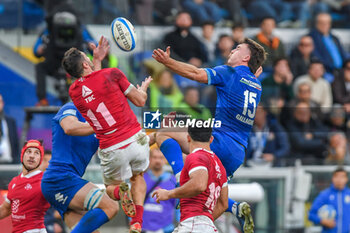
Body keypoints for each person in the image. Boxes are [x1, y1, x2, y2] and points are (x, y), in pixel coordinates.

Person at [152, 37, 267, 233]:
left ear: (246, 57)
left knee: (164, 131)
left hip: (218, 142)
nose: (231, 50)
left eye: (237, 48)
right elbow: (251, 75)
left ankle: (181, 178)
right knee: (215, 199)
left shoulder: (230, 72)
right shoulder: (257, 85)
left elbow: (196, 73)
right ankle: (232, 208)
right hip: (238, 153)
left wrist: (167, 62)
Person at [63, 37, 153, 233]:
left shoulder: (74, 92)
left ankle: (122, 194)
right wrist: (143, 89)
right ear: (86, 63)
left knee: (111, 189)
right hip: (135, 138)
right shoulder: (113, 73)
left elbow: (93, 84)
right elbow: (138, 101)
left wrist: (95, 60)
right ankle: (137, 221)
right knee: (138, 176)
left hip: (111, 147)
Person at [41, 38, 122, 233]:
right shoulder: (70, 108)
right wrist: (100, 124)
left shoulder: (94, 118)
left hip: (67, 181)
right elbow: (69, 127)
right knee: (110, 207)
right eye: (87, 60)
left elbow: (96, 87)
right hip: (60, 178)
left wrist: (98, 61)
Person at [153, 121, 228, 233]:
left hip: (193, 225)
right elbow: (223, 204)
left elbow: (199, 185)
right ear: (211, 139)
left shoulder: (196, 157)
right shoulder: (219, 165)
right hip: (207, 226)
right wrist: (205, 220)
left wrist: (169, 194)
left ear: (188, 138)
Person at [0, 139, 50, 233]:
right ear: (22, 155)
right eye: (29, 151)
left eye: (36, 153)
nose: (32, 156)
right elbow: (5, 209)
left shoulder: (46, 180)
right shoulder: (14, 181)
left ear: (40, 159)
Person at [142, 148, 177, 233]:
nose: (157, 160)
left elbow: (178, 207)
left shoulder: (173, 180)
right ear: (149, 159)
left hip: (166, 229)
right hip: (143, 229)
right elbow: (133, 204)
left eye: (161, 158)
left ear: (165, 160)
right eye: (155, 157)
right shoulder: (141, 179)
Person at [309, 167, 350, 233]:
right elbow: (311, 214)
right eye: (337, 176)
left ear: (346, 179)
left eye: (342, 177)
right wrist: (323, 221)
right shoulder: (325, 195)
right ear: (333, 178)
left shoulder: (348, 194)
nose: (339, 179)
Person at [0, 94, 19, 164]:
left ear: (3, 104)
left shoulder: (10, 121)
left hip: (10, 163)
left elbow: (16, 143)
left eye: (0, 102)